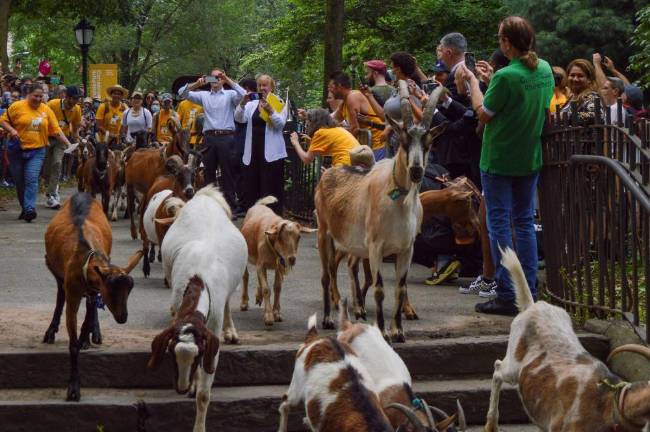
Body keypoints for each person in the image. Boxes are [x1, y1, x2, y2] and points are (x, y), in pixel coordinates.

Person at [460, 16, 554, 316]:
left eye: (500, 37)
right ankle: (529, 289)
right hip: (529, 157)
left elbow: (483, 113)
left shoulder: (505, 77)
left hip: (499, 158)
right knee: (524, 222)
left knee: (498, 222)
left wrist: (475, 84)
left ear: (507, 43)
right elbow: (524, 101)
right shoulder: (544, 69)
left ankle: (506, 292)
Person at [0, 84, 73, 222]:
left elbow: (56, 130)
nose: (39, 99)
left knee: (31, 179)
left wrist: (68, 143)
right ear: (28, 94)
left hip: (37, 150)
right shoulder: (17, 106)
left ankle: (29, 209)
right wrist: (12, 130)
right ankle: (25, 207)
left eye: (41, 96)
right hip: (16, 150)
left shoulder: (46, 110)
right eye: (36, 96)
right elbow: (3, 121)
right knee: (19, 181)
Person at [178, 68, 245, 212]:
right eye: (213, 77)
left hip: (227, 137)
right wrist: (196, 84)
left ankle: (230, 207)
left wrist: (228, 80)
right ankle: (210, 207)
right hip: (209, 138)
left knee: (228, 174)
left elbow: (243, 94)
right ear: (208, 80)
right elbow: (181, 93)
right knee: (209, 173)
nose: (216, 80)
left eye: (219, 77)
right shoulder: (203, 95)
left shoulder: (230, 94)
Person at [234, 74, 288, 214]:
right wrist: (242, 103)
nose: (262, 88)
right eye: (259, 85)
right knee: (252, 188)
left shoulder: (279, 102)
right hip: (253, 153)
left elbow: (280, 125)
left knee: (270, 189)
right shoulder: (252, 104)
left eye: (265, 85)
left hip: (271, 155)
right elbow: (239, 119)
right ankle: (254, 218)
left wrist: (271, 111)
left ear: (271, 87)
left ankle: (272, 220)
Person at [329, 71, 385, 160]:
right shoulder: (344, 104)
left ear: (339, 86)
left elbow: (354, 129)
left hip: (378, 145)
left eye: (331, 87)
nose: (329, 91)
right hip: (367, 147)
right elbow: (331, 121)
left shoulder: (353, 97)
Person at [43, 85, 82, 209]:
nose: (76, 102)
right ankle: (52, 186)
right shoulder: (52, 104)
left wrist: (77, 142)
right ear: (67, 97)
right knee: (46, 168)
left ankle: (52, 195)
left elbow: (75, 128)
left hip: (62, 140)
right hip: (47, 139)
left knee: (57, 163)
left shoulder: (77, 109)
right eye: (74, 98)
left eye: (78, 99)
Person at [289, 108, 359, 167]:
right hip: (356, 163)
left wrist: (295, 143)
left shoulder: (321, 132)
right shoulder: (335, 129)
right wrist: (311, 142)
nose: (307, 124)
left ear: (314, 122)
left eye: (308, 121)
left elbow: (307, 159)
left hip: (345, 165)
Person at [438, 32, 468, 100]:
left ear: (449, 53)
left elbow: (453, 108)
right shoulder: (473, 67)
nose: (440, 58)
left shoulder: (455, 76)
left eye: (441, 51)